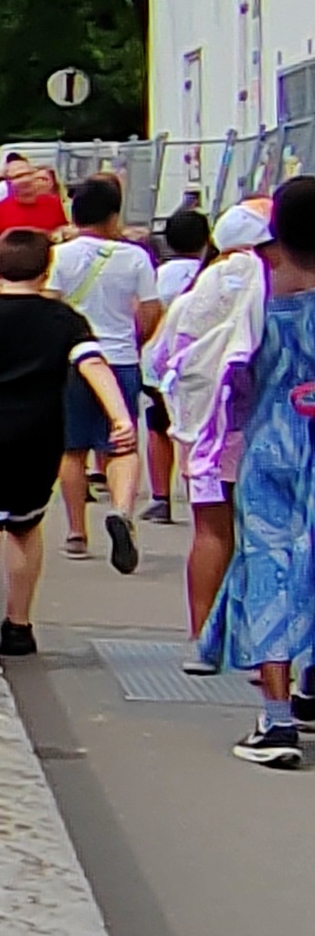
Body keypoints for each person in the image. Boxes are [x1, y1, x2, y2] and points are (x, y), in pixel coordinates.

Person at [0, 227, 138, 656]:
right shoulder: (65, 320)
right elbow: (92, 363)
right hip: (39, 435)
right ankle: (18, 624)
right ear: (47, 269)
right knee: (25, 527)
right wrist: (119, 416)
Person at [204, 177, 315, 766]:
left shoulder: (258, 293)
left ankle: (275, 722)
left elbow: (226, 372)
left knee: (270, 566)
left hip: (273, 444)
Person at [162, 199, 272, 668]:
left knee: (210, 531)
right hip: (261, 425)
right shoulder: (273, 287)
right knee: (268, 537)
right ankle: (267, 650)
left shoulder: (195, 294)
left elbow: (161, 360)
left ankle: (203, 639)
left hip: (203, 430)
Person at [47, 173, 161, 570]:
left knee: (72, 447)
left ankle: (77, 531)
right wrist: (134, 340)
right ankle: (123, 511)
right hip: (121, 358)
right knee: (121, 443)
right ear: (114, 216)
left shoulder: (58, 255)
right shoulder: (135, 257)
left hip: (73, 360)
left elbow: (51, 306)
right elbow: (149, 311)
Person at [139, 205, 217, 523]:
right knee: (199, 428)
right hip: (205, 362)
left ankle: (160, 497)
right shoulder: (212, 272)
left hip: (163, 364)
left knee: (159, 428)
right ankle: (201, 489)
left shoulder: (161, 275)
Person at [0, 157, 69, 239]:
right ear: (9, 182)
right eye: (18, 176)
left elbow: (64, 230)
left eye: (28, 174)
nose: (25, 180)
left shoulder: (55, 204)